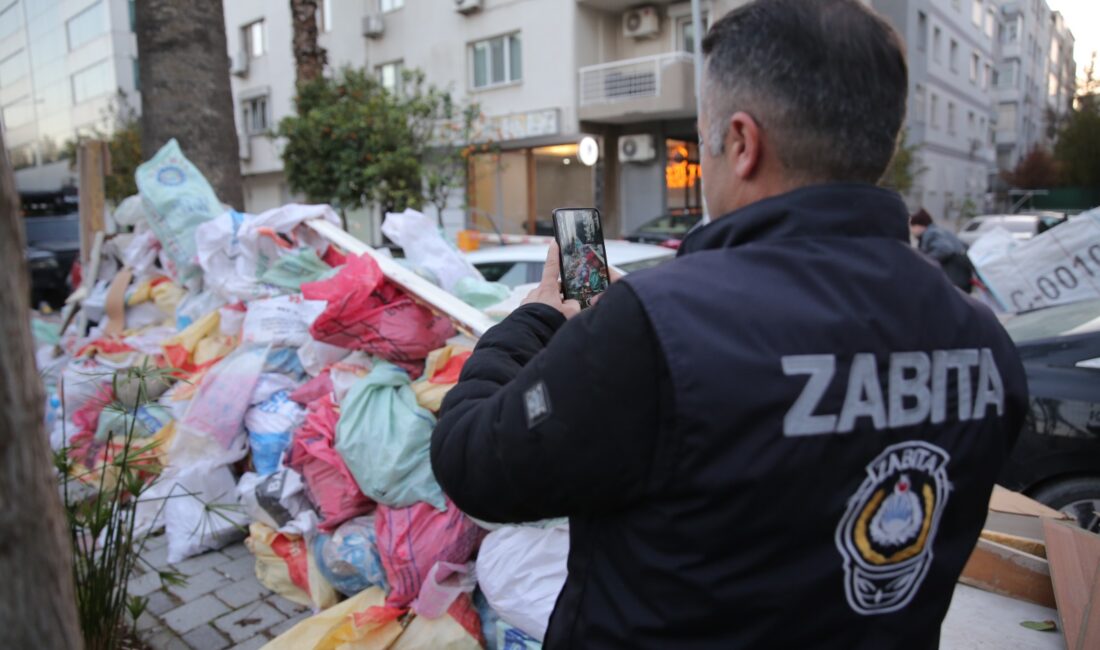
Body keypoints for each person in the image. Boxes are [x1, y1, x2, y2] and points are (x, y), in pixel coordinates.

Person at [431, 0, 1027, 647]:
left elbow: (473, 466)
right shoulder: (984, 342)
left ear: (741, 143)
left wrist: (539, 318)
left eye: (702, 140)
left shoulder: (658, 332)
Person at [910, 208, 974, 293]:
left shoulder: (931, 233)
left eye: (913, 226)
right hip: (962, 276)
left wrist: (925, 260)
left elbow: (945, 249)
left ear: (920, 225)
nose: (911, 230)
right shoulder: (939, 230)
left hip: (954, 278)